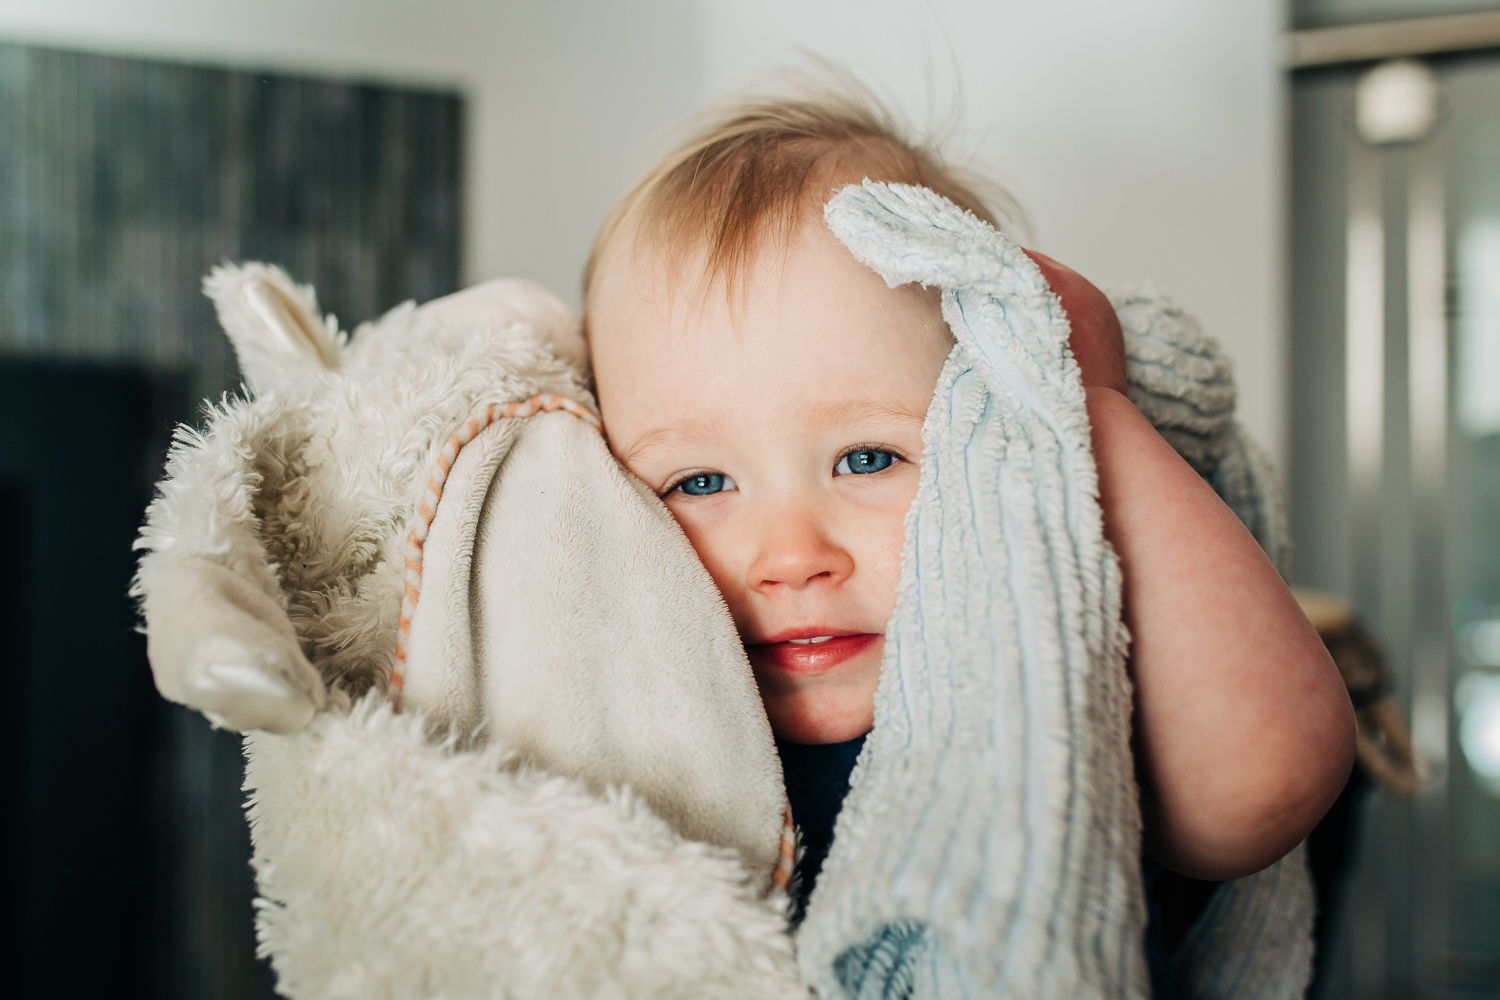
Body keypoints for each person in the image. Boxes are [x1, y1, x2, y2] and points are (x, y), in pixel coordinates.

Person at [582, 82, 1354, 932]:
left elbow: (1264, 786)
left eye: (867, 458)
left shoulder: (1045, 679)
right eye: (699, 484)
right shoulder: (611, 727)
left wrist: (1083, 405)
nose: (792, 555)